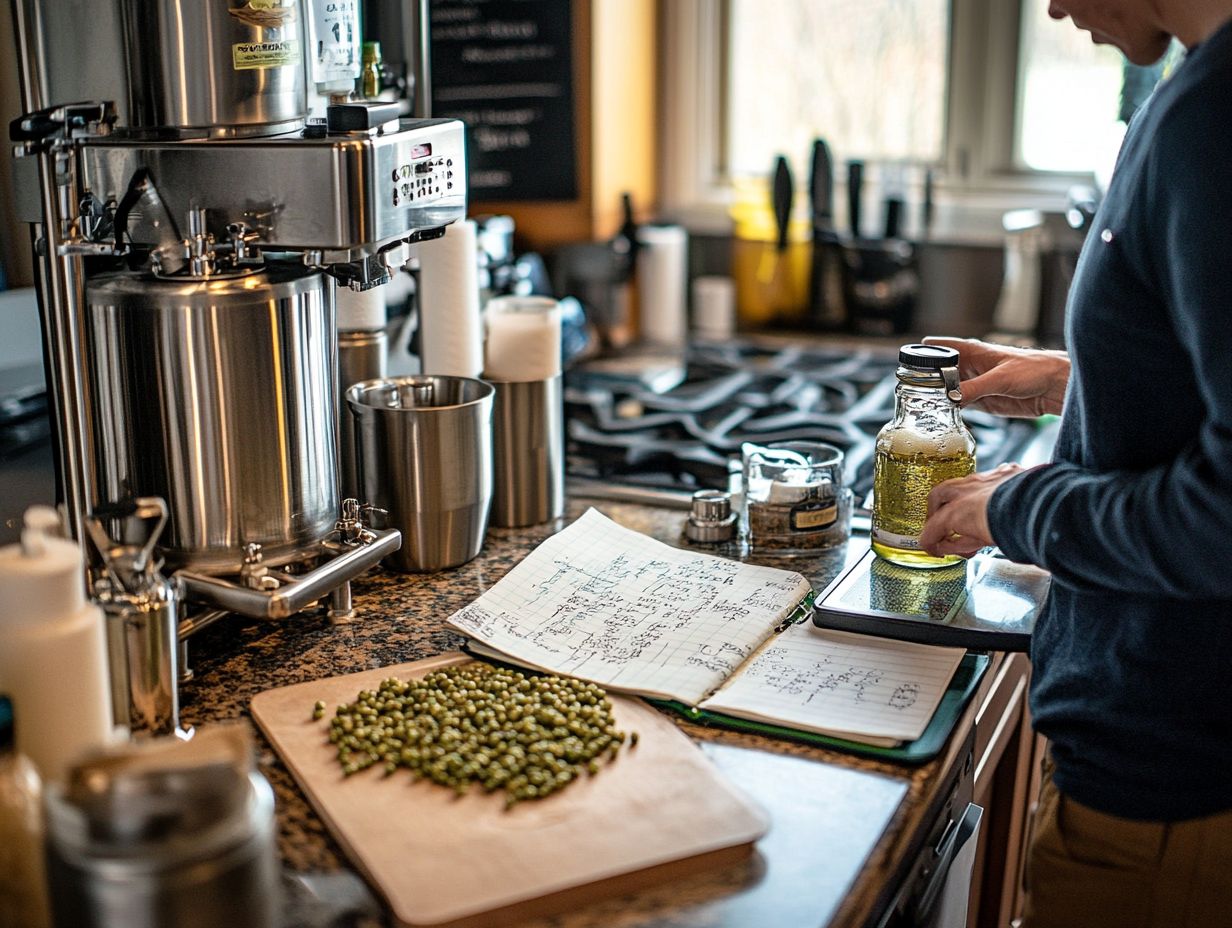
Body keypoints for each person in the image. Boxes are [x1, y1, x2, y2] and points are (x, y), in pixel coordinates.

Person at [917, 2, 1232, 926]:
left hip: (1175, 793)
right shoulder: (1197, 88)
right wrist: (1078, 383)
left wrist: (1023, 509)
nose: (1051, 4)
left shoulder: (1214, 124)